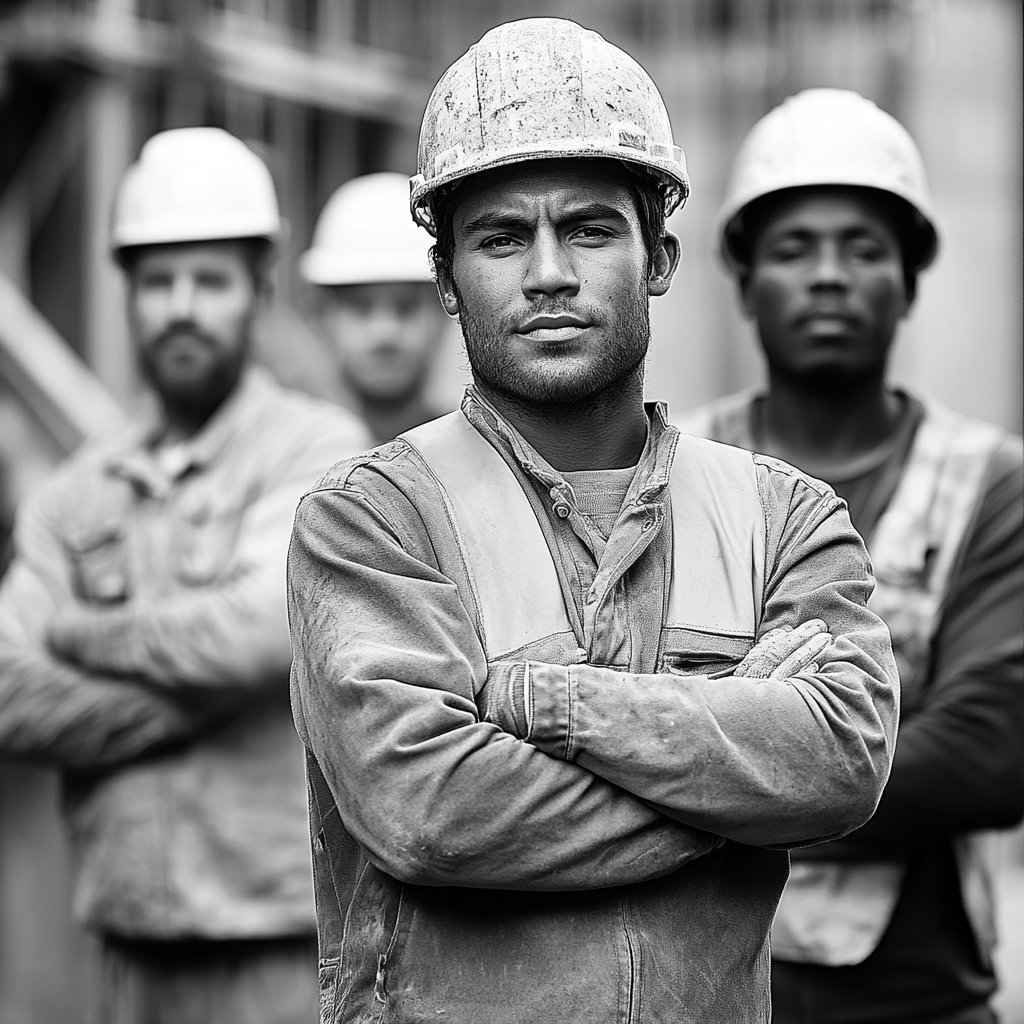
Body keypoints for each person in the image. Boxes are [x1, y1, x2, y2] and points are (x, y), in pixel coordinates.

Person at [287, 21, 901, 1023]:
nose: (547, 274)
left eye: (587, 228)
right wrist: (736, 767)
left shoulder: (780, 516)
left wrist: (541, 706)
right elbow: (431, 812)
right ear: (445, 277)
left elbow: (840, 758)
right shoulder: (372, 519)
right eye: (499, 238)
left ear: (657, 257)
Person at [0, 127, 371, 1023]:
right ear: (127, 291)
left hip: (280, 939)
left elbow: (261, 633)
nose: (181, 308)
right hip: (126, 941)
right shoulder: (76, 493)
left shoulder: (318, 450)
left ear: (258, 292)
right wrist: (210, 696)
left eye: (209, 283)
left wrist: (83, 639)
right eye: (159, 283)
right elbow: (8, 690)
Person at [677, 88, 1024, 1024]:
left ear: (911, 276)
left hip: (920, 994)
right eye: (792, 250)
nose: (828, 276)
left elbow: (991, 752)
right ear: (743, 279)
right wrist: (835, 760)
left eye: (864, 249)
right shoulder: (670, 471)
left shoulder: (989, 481)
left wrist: (710, 778)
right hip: (705, 989)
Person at [301, 172, 451, 442]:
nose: (385, 332)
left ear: (444, 312)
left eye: (406, 307)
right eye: (360, 308)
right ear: (323, 318)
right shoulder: (289, 457)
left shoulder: (482, 455)